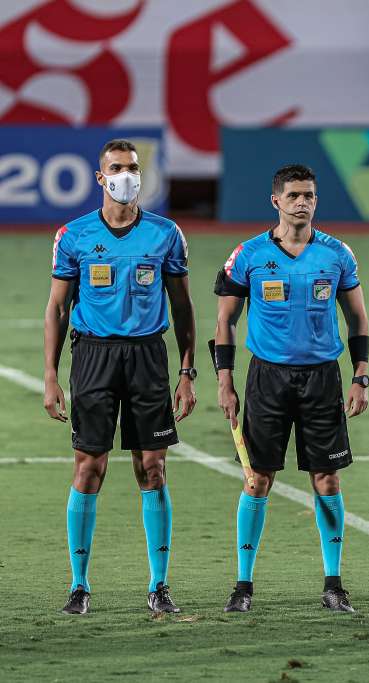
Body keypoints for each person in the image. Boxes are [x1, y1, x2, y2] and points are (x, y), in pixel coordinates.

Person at [44, 139, 197, 615]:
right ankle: (79, 585)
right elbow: (57, 307)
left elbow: (183, 307)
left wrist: (187, 370)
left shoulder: (166, 234)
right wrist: (50, 375)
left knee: (152, 467)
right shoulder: (73, 235)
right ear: (100, 177)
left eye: (132, 167)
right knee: (90, 469)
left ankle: (159, 585)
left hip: (149, 357)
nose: (126, 175)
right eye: (116, 167)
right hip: (93, 357)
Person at [213, 164, 369, 613]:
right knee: (258, 478)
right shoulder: (247, 255)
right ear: (276, 201)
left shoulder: (337, 254)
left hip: (323, 378)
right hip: (267, 378)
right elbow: (225, 321)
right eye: (295, 195)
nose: (303, 202)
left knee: (327, 477)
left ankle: (334, 584)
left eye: (310, 196)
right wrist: (225, 382)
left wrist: (360, 374)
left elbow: (357, 318)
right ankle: (243, 587)